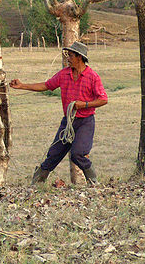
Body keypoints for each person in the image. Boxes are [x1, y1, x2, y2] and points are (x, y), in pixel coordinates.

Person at [9, 41, 108, 185]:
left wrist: (84, 104)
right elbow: (46, 85)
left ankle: (93, 182)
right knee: (54, 154)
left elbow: (103, 99)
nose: (68, 58)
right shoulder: (64, 74)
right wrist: (22, 85)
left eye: (71, 56)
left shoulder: (92, 77)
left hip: (85, 121)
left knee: (78, 154)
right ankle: (37, 183)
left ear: (79, 57)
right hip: (67, 122)